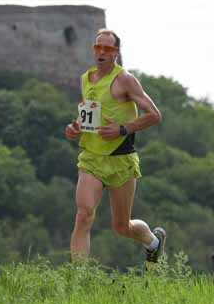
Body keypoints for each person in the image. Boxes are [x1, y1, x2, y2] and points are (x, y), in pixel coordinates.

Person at [65, 29, 166, 264]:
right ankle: (78, 281)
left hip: (121, 160)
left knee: (122, 226)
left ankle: (153, 242)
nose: (101, 52)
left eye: (107, 49)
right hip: (91, 158)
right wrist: (75, 128)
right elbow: (89, 115)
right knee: (84, 215)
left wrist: (123, 129)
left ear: (116, 53)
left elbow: (154, 115)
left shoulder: (126, 80)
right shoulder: (86, 79)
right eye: (97, 47)